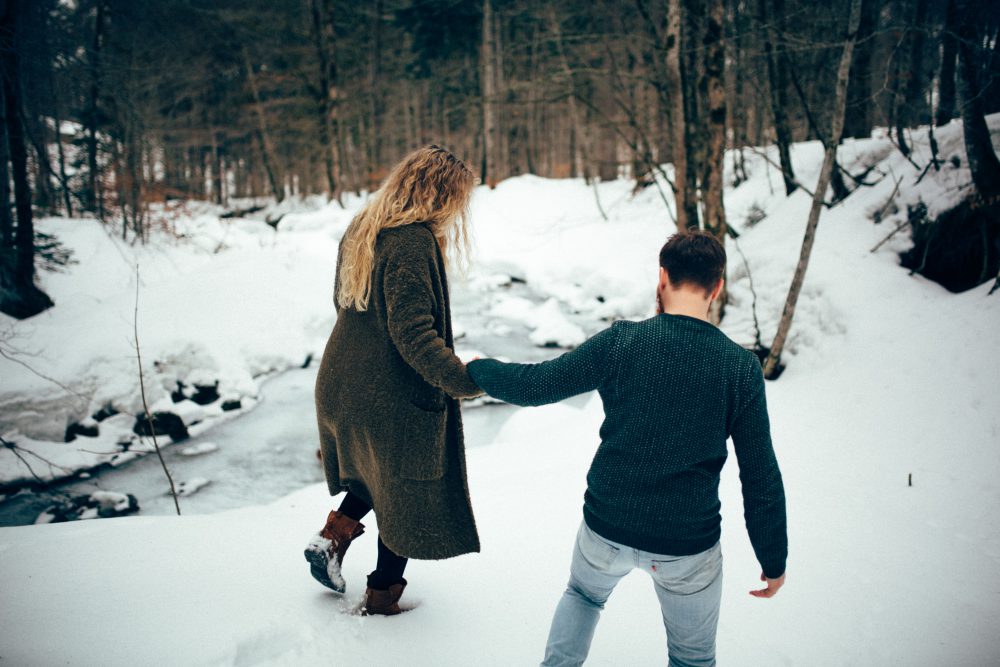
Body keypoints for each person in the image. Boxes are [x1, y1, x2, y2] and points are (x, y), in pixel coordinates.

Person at [467, 231, 787, 666]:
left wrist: (476, 368)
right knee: (692, 659)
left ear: (661, 278)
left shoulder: (622, 342)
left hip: (607, 527)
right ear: (717, 288)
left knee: (582, 595)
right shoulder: (739, 367)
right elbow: (759, 473)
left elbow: (536, 385)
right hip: (687, 545)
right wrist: (773, 557)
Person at [305, 145, 483, 616]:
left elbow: (344, 301)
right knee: (405, 495)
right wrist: (464, 380)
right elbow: (415, 337)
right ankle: (383, 601)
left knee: (378, 476)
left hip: (343, 383)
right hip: (386, 397)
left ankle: (330, 540)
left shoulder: (364, 227)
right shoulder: (411, 241)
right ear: (442, 194)